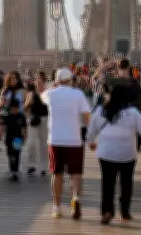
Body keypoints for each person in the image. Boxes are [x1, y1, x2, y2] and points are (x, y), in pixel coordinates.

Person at [87, 84, 141, 224]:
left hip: (106, 153)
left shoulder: (100, 111)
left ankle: (107, 211)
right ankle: (125, 212)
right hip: (127, 153)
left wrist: (91, 141)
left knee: (107, 183)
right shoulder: (133, 113)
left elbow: (91, 130)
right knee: (126, 183)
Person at [42, 67, 92, 220]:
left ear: (57, 81)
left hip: (55, 139)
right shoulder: (78, 94)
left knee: (57, 173)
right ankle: (75, 197)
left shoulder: (50, 94)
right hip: (74, 139)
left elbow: (42, 94)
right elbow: (87, 116)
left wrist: (54, 86)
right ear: (71, 80)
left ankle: (56, 206)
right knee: (76, 173)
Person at [24, 70, 50, 177]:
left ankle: (43, 167)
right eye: (36, 81)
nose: (38, 83)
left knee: (44, 144)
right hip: (33, 120)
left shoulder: (48, 93)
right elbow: (25, 108)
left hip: (45, 119)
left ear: (44, 82)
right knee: (32, 143)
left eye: (41, 81)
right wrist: (29, 103)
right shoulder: (31, 94)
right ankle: (31, 165)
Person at [0, 97, 28, 181]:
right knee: (10, 154)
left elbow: (24, 127)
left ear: (18, 108)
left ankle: (15, 171)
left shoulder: (21, 116)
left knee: (17, 154)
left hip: (18, 138)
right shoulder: (6, 115)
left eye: (16, 108)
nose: (14, 110)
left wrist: (25, 136)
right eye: (12, 108)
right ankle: (12, 170)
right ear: (10, 108)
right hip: (9, 138)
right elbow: (2, 126)